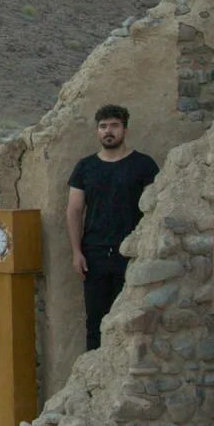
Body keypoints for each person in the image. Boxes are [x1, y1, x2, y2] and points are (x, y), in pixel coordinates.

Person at [66, 104, 160, 351]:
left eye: (114, 126)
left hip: (130, 254)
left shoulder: (144, 165)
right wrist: (76, 252)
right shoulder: (85, 167)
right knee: (95, 321)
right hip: (94, 256)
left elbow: (155, 209)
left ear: (125, 129)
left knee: (130, 319)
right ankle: (95, 379)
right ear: (97, 131)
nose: (109, 131)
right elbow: (75, 211)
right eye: (103, 126)